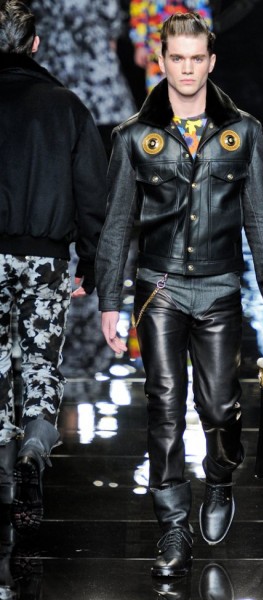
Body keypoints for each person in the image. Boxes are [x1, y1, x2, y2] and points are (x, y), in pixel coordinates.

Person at [96, 12, 263, 577]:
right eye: (176, 58)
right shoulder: (134, 136)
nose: (186, 69)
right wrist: (109, 302)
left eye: (195, 58)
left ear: (210, 62)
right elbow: (117, 225)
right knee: (163, 404)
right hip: (158, 289)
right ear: (162, 61)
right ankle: (173, 525)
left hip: (220, 286)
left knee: (221, 406)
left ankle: (220, 479)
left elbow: (260, 216)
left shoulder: (242, 132)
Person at [0, 0, 107, 533]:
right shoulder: (65, 105)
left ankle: (3, 472)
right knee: (41, 362)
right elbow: (92, 194)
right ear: (35, 44)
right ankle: (34, 450)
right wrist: (92, 261)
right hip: (46, 258)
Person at [30, 0, 137, 156]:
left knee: (61, 141)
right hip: (97, 67)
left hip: (57, 62)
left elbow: (35, 18)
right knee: (110, 147)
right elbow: (112, 14)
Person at [130, 0, 212, 93]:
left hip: (187, 47)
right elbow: (138, 10)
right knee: (157, 92)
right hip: (156, 49)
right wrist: (140, 44)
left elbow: (203, 12)